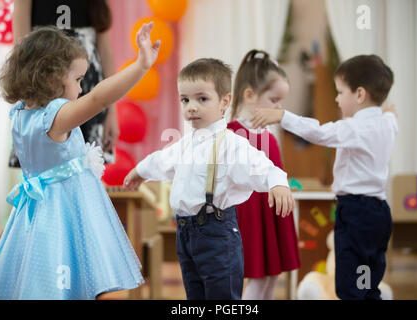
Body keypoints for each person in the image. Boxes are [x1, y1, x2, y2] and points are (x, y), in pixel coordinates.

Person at [0, 23, 160, 299]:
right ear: (51, 78)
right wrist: (141, 65)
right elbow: (98, 98)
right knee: (89, 279)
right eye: (78, 80)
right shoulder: (56, 116)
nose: (82, 89)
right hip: (69, 209)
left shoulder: (19, 114)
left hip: (34, 211)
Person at [123, 58, 295, 300]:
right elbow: (161, 160)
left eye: (202, 99)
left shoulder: (231, 144)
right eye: (185, 99)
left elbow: (261, 165)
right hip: (185, 235)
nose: (192, 107)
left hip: (217, 235)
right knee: (195, 296)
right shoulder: (184, 144)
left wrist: (277, 183)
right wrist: (140, 171)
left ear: (225, 101)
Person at [250, 54, 398, 300]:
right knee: (370, 279)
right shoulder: (387, 123)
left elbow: (318, 132)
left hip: (356, 211)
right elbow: (391, 115)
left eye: (340, 92)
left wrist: (282, 116)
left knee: (350, 284)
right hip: (380, 212)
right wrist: (390, 113)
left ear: (360, 95)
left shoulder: (354, 128)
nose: (338, 99)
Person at [227, 49, 301, 300]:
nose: (278, 108)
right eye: (274, 100)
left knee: (272, 275)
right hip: (249, 216)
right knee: (257, 276)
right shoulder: (231, 133)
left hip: (271, 213)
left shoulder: (267, 136)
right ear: (249, 95)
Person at [10, 0, 118, 166]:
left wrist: (112, 111)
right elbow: (21, 47)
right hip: (43, 85)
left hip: (90, 87)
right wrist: (27, 105)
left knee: (89, 165)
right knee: (45, 165)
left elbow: (106, 51)